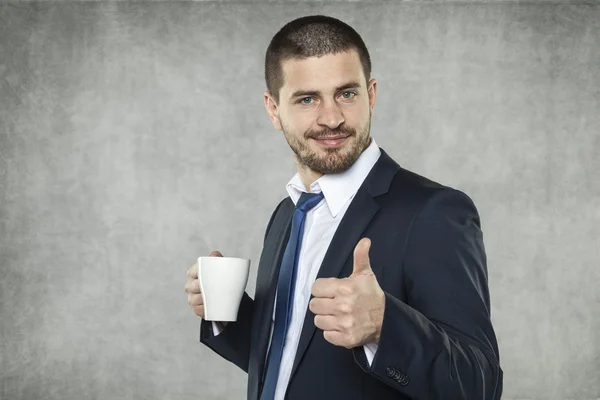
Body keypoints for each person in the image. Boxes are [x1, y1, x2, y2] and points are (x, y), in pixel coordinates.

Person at [184, 14, 503, 400]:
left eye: (346, 94)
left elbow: (479, 384)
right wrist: (226, 313)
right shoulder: (288, 214)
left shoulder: (434, 212)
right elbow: (292, 363)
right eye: (307, 99)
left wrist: (385, 327)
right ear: (273, 110)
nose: (332, 117)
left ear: (370, 95)